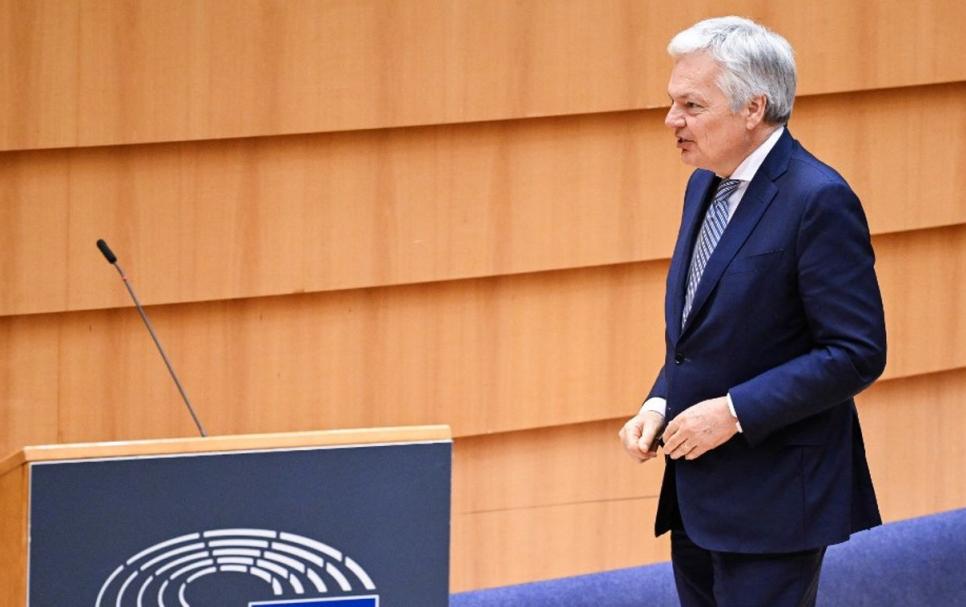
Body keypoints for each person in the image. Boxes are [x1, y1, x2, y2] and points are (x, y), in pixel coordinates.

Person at [618, 16, 886, 607]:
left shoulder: (818, 199)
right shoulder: (704, 184)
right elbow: (706, 330)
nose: (671, 120)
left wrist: (734, 412)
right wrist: (660, 401)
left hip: (776, 500)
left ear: (752, 108)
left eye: (691, 104)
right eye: (672, 102)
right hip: (697, 492)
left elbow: (856, 353)